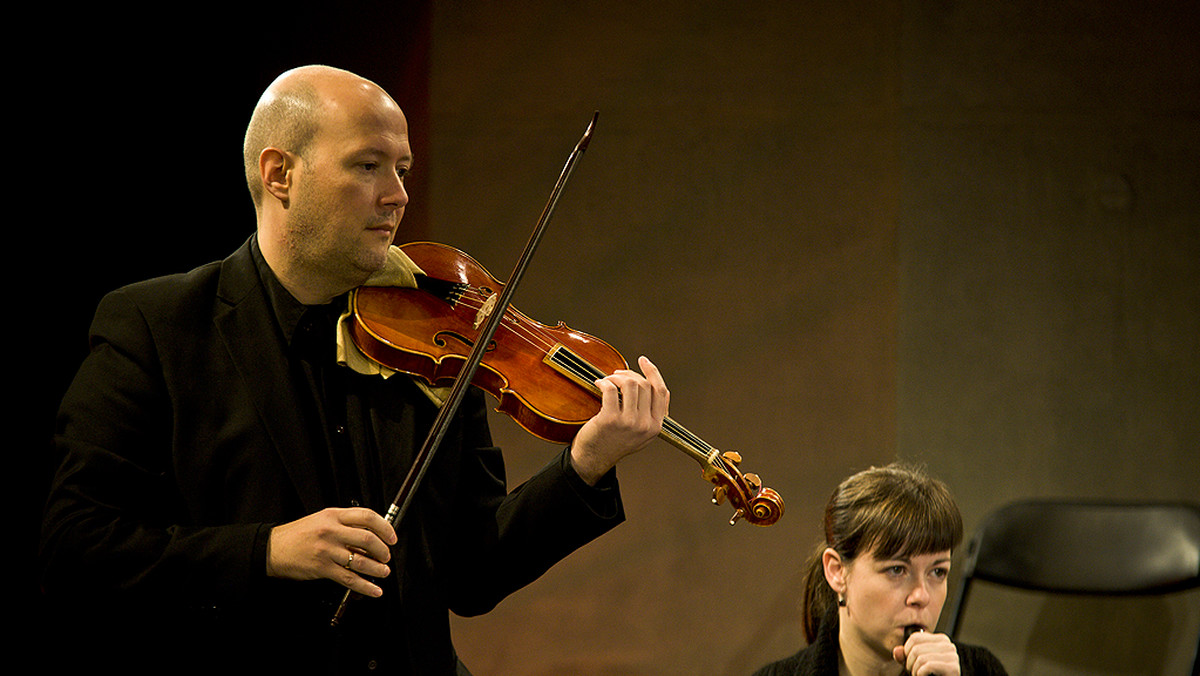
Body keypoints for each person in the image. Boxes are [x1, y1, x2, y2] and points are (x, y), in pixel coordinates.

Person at [39, 65, 669, 675]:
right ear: (280, 173)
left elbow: (473, 574)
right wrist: (266, 552)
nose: (396, 195)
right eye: (368, 166)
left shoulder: (435, 341)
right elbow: (78, 548)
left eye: (402, 169)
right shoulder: (157, 325)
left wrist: (586, 464)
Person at [752, 463, 1007, 676]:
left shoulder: (982, 670)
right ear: (837, 572)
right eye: (897, 570)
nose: (921, 596)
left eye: (937, 572)